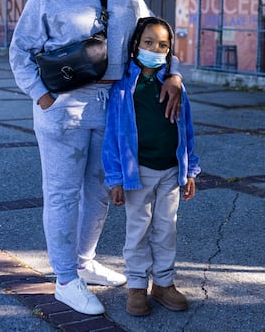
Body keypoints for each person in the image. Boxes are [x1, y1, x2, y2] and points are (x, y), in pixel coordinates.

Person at [9, 0, 184, 315]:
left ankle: (85, 262)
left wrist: (173, 74)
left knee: (101, 191)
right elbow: (20, 52)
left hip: (115, 106)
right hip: (63, 107)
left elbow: (154, 35)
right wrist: (41, 95)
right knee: (63, 194)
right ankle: (66, 279)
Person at [102, 16, 200, 316]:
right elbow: (113, 135)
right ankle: (136, 286)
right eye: (148, 43)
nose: (155, 49)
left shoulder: (173, 84)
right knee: (138, 231)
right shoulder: (123, 87)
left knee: (165, 230)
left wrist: (190, 170)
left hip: (171, 171)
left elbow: (187, 129)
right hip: (137, 173)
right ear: (135, 45)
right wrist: (115, 178)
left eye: (163, 45)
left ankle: (164, 283)